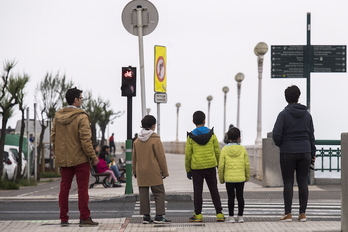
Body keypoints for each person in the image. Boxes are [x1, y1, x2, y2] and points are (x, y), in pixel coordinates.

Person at [51, 87, 99, 227]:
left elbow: (53, 137)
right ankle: (84, 217)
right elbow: (85, 139)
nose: (82, 101)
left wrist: (59, 154)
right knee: (82, 189)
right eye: (81, 98)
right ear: (76, 99)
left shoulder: (58, 116)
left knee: (64, 188)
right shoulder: (81, 117)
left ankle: (63, 218)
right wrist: (93, 156)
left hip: (64, 160)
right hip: (80, 159)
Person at [272, 85, 316, 222]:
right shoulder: (307, 115)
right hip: (305, 151)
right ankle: (302, 214)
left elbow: (276, 134)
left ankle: (288, 213)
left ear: (286, 98)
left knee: (288, 182)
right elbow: (311, 135)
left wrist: (283, 144)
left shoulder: (283, 114)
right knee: (303, 181)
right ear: (298, 97)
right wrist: (312, 152)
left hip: (288, 151)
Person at [185, 110, 225, 222]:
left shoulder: (191, 136)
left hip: (196, 168)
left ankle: (198, 214)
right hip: (210, 166)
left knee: (197, 191)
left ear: (193, 121)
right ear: (204, 120)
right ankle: (219, 213)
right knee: (213, 189)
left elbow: (188, 155)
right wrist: (219, 165)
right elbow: (217, 151)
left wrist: (188, 170)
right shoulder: (211, 134)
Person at [132, 115, 171, 224]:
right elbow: (161, 157)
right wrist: (165, 171)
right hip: (153, 171)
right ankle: (159, 216)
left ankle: (146, 217)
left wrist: (134, 171)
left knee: (143, 194)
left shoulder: (137, 140)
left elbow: (134, 157)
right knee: (159, 193)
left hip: (141, 171)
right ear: (153, 125)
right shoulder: (155, 139)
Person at [218, 127, 250, 223]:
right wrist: (247, 177)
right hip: (240, 177)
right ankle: (240, 217)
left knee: (230, 197)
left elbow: (221, 166)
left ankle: (231, 216)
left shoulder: (224, 150)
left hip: (229, 178)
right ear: (239, 138)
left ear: (227, 138)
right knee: (240, 197)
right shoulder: (243, 149)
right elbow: (247, 164)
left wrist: (221, 179)